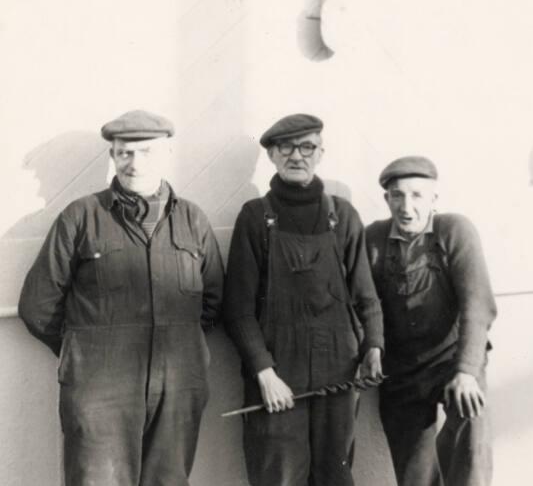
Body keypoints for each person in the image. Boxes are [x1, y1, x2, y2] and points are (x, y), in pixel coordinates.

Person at [18, 109, 225, 486]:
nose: (134, 163)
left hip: (178, 388)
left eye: (145, 152)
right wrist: (87, 351)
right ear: (112, 156)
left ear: (166, 154)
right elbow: (37, 305)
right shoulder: (80, 217)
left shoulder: (193, 220)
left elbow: (212, 301)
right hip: (99, 390)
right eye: (124, 152)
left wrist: (176, 345)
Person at [223, 113, 383, 486]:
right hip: (278, 372)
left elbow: (366, 295)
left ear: (320, 153)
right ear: (273, 156)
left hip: (339, 371)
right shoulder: (254, 217)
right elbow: (238, 310)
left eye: (307, 147)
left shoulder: (342, 216)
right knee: (278, 474)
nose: (297, 156)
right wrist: (265, 373)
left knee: (335, 475)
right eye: (286, 147)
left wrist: (374, 345)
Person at [366, 156, 497, 486]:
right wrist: (371, 347)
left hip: (452, 360)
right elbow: (361, 304)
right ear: (387, 200)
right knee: (415, 475)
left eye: (417, 196)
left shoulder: (455, 230)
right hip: (401, 371)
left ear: (434, 200)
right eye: (397, 196)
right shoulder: (373, 239)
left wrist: (467, 371)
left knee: (471, 435)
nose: (406, 207)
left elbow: (477, 305)